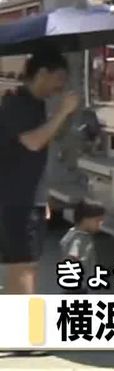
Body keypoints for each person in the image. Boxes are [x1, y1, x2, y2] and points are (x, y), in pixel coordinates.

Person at [0, 47, 79, 295]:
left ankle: (24, 328)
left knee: (25, 268)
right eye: (60, 78)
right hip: (16, 201)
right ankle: (26, 329)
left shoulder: (34, 104)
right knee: (24, 269)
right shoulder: (17, 102)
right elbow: (33, 142)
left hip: (27, 199)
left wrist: (41, 196)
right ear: (43, 73)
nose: (61, 86)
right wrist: (63, 111)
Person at [60, 201, 105, 290]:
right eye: (98, 220)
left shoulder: (73, 233)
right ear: (85, 220)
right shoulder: (79, 239)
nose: (101, 224)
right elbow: (70, 258)